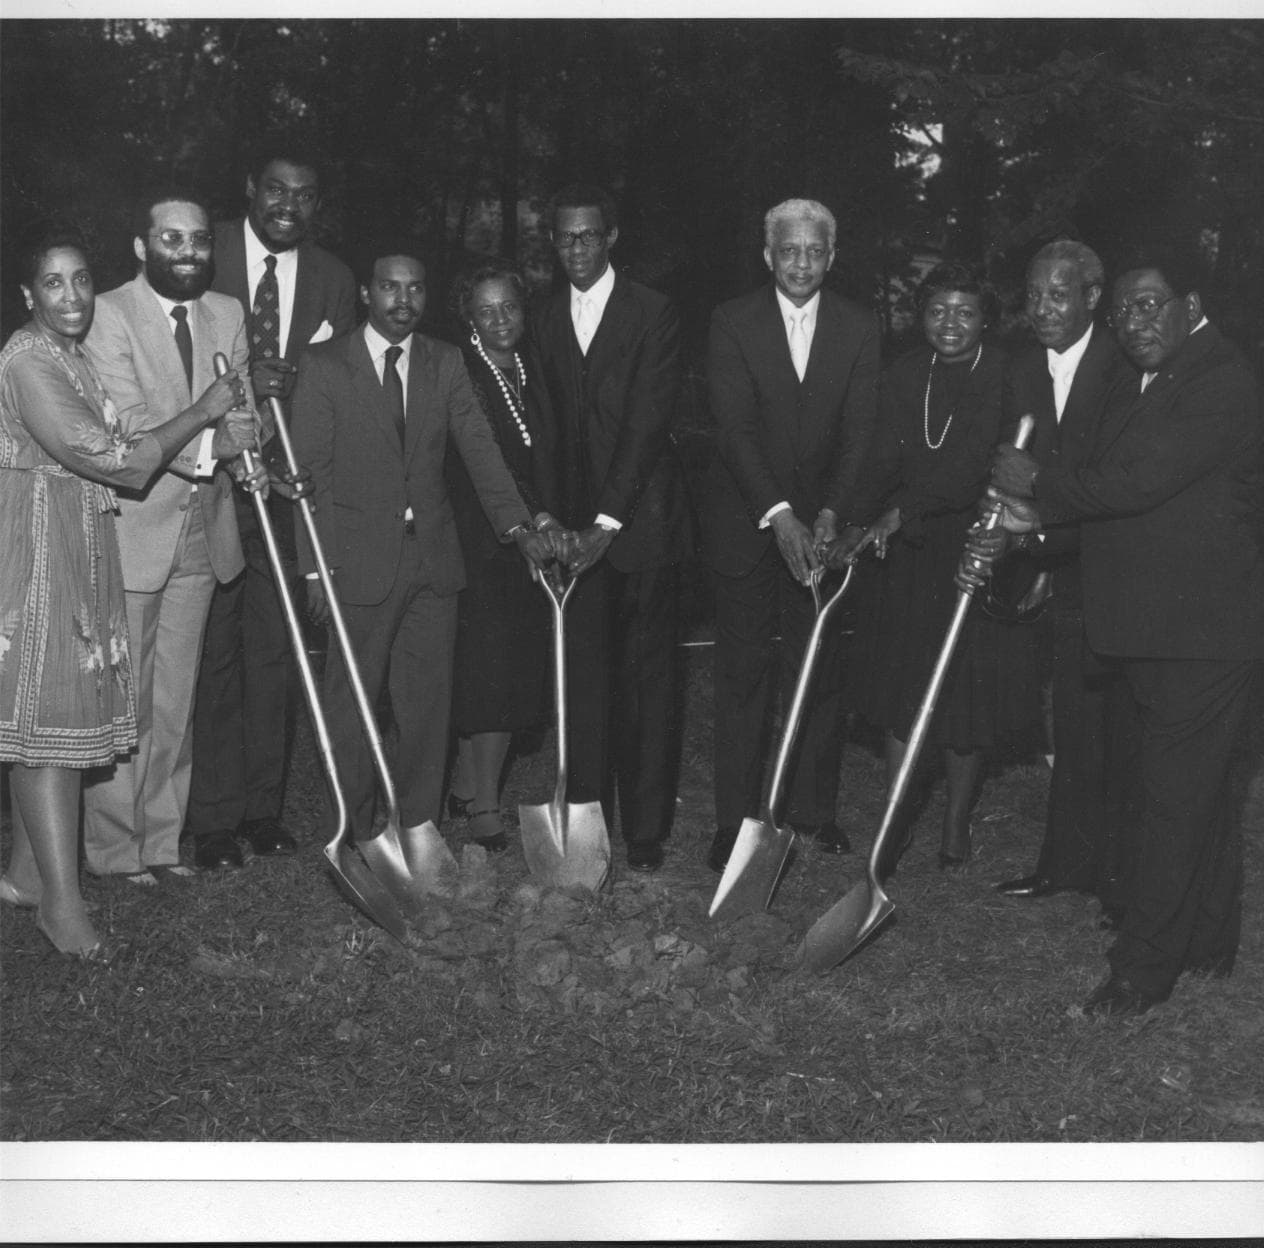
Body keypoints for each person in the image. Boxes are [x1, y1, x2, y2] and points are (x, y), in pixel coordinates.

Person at [989, 249, 1263, 1016]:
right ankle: (1205, 942)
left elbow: (1136, 483)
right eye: (1123, 312)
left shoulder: (1221, 380)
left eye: (1150, 305)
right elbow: (1127, 505)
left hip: (1201, 637)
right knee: (1197, 793)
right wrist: (1036, 527)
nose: (1134, 323)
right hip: (1156, 627)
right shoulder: (1154, 377)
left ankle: (1140, 974)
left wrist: (1036, 483)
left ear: (1191, 306)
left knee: (1172, 802)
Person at [0, 229, 250, 955]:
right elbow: (119, 461)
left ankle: (26, 878)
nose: (71, 296)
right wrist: (204, 410)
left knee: (55, 721)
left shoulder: (69, 355)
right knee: (47, 736)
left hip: (76, 543)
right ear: (27, 295)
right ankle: (63, 908)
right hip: (38, 554)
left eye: (81, 280)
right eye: (53, 283)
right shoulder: (28, 361)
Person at [289, 243, 556, 844]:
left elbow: (480, 450)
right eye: (390, 286)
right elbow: (311, 477)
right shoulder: (325, 364)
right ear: (367, 293)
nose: (403, 299)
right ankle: (353, 833)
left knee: (427, 709)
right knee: (352, 704)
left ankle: (419, 829)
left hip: (433, 563)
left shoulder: (444, 361)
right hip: (355, 562)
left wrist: (518, 527)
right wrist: (314, 570)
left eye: (414, 288)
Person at [828, 261, 1040, 869]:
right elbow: (879, 456)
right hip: (910, 552)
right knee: (904, 683)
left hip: (976, 542)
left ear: (985, 320)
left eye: (965, 312)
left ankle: (954, 824)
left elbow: (975, 464)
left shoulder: (1004, 375)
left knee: (966, 693)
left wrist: (901, 512)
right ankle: (895, 817)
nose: (950, 323)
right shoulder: (904, 372)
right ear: (920, 315)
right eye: (938, 310)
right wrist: (855, 519)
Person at [81, 189, 263, 886]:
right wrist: (215, 433)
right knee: (124, 699)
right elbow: (129, 430)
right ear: (141, 246)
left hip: (204, 529)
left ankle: (160, 842)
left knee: (174, 699)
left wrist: (248, 442)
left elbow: (243, 408)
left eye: (198, 240)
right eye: (171, 239)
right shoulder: (107, 314)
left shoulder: (227, 312)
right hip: (134, 530)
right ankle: (113, 850)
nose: (188, 252)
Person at [186, 142, 358, 870]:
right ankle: (211, 817)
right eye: (277, 190)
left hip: (285, 490)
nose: (289, 205)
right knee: (212, 650)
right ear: (252, 188)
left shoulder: (333, 278)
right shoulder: (205, 250)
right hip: (207, 480)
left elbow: (340, 383)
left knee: (273, 650)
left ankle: (262, 809)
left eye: (305, 194)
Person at [701, 197, 879, 872]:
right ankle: (735, 820)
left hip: (824, 529)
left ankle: (812, 810)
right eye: (789, 250)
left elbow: (860, 430)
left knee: (818, 668)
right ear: (767, 255)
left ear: (831, 257)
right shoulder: (732, 321)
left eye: (814, 251)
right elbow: (734, 428)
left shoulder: (860, 326)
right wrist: (779, 514)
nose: (801, 263)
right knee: (744, 674)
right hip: (750, 522)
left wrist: (832, 512)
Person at [532, 184, 690, 873]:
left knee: (648, 682)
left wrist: (606, 522)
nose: (577, 248)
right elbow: (543, 424)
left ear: (612, 237)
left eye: (589, 235)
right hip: (573, 536)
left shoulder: (654, 311)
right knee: (584, 678)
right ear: (553, 242)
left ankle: (646, 831)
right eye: (566, 237)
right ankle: (587, 816)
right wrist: (550, 516)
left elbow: (648, 421)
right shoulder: (542, 316)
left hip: (640, 526)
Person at [991, 241, 1137, 918]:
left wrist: (1041, 521)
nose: (1042, 309)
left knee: (1119, 726)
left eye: (1058, 294)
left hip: (1115, 562)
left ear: (1092, 297)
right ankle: (1068, 863)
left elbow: (1111, 484)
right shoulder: (1022, 368)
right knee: (1074, 718)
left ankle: (1121, 877)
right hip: (1061, 564)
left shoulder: (1125, 366)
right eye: (1034, 295)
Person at [444, 258, 564, 852]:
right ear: (469, 316)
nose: (499, 320)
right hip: (480, 535)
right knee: (489, 669)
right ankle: (484, 804)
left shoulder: (531, 366)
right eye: (485, 310)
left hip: (527, 533)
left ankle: (467, 784)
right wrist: (529, 520)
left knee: (509, 665)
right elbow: (484, 457)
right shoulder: (462, 370)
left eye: (509, 307)